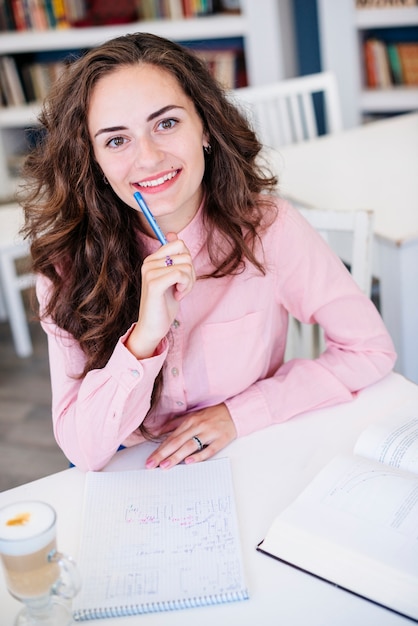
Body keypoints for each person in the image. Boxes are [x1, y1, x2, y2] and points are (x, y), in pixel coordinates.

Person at [20, 33, 396, 472]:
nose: (149, 158)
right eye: (116, 141)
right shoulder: (63, 263)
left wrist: (241, 414)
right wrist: (144, 337)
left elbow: (370, 349)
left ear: (205, 127)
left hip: (246, 450)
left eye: (166, 123)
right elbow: (82, 450)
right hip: (126, 470)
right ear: (95, 162)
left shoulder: (267, 228)